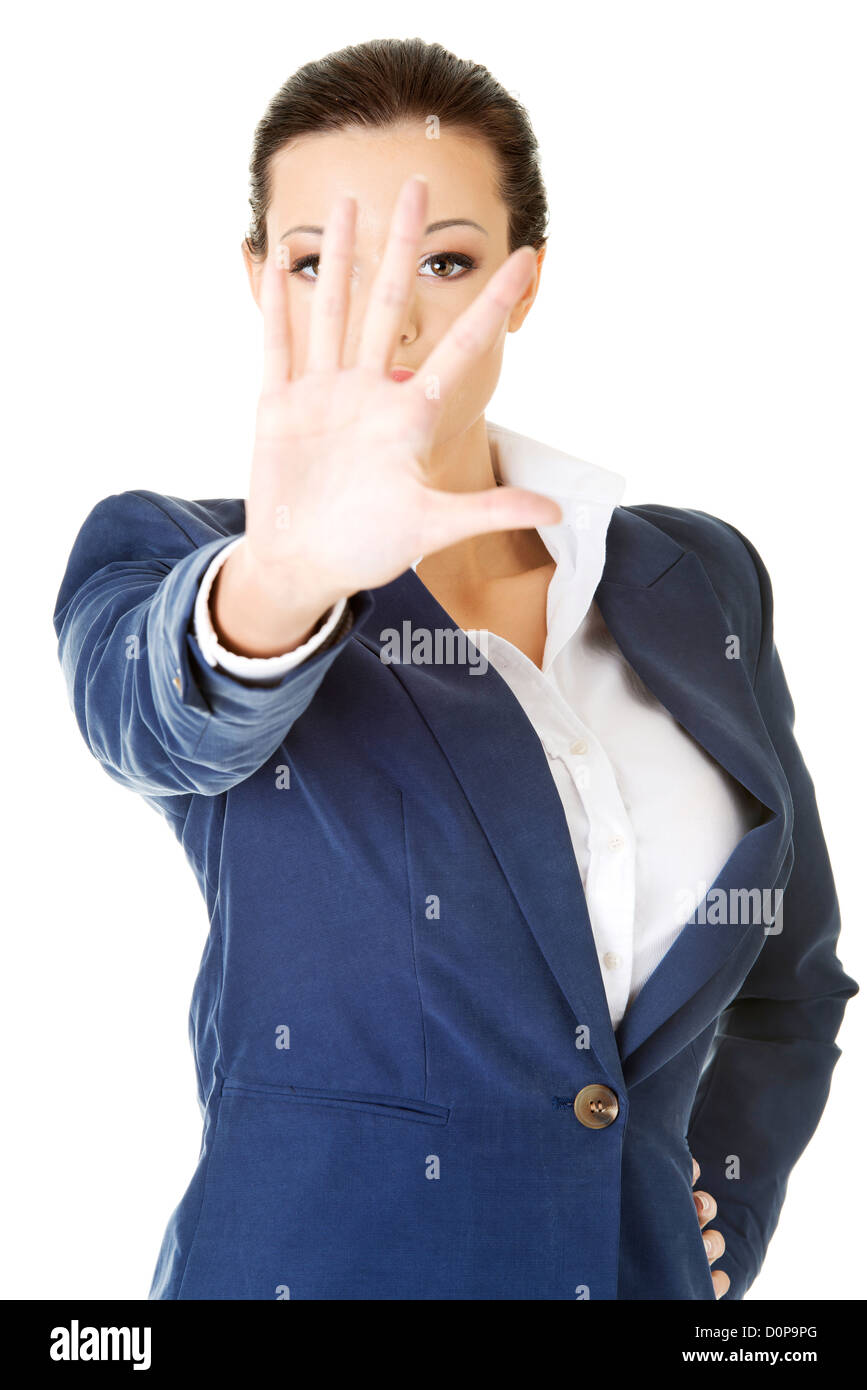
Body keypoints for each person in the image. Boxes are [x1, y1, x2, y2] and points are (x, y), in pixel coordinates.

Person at [53, 37, 857, 1301]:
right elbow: (157, 716)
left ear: (523, 282)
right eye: (319, 264)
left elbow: (789, 976)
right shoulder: (186, 557)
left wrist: (722, 1216)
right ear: (256, 277)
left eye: (444, 260)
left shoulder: (699, 578)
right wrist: (286, 579)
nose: (391, 317)